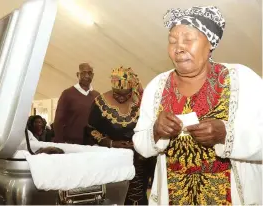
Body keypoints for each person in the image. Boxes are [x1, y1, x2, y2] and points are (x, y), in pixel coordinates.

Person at [133, 6, 262, 205]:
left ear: (210, 42)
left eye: (188, 39)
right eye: (172, 41)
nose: (178, 48)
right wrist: (156, 131)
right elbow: (140, 143)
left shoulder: (242, 80)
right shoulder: (157, 86)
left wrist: (226, 135)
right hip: (174, 196)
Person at [86, 66, 153, 205]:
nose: (121, 97)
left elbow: (150, 126)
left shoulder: (140, 101)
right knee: (115, 196)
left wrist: (139, 142)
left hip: (139, 160)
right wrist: (111, 143)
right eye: (117, 93)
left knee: (137, 196)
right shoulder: (100, 102)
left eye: (126, 94)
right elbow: (90, 129)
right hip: (111, 160)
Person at [53, 63, 99, 144]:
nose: (87, 76)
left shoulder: (97, 95)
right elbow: (58, 120)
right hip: (71, 143)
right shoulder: (67, 93)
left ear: (93, 75)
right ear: (78, 75)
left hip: (92, 143)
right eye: (83, 73)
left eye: (89, 73)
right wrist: (60, 142)